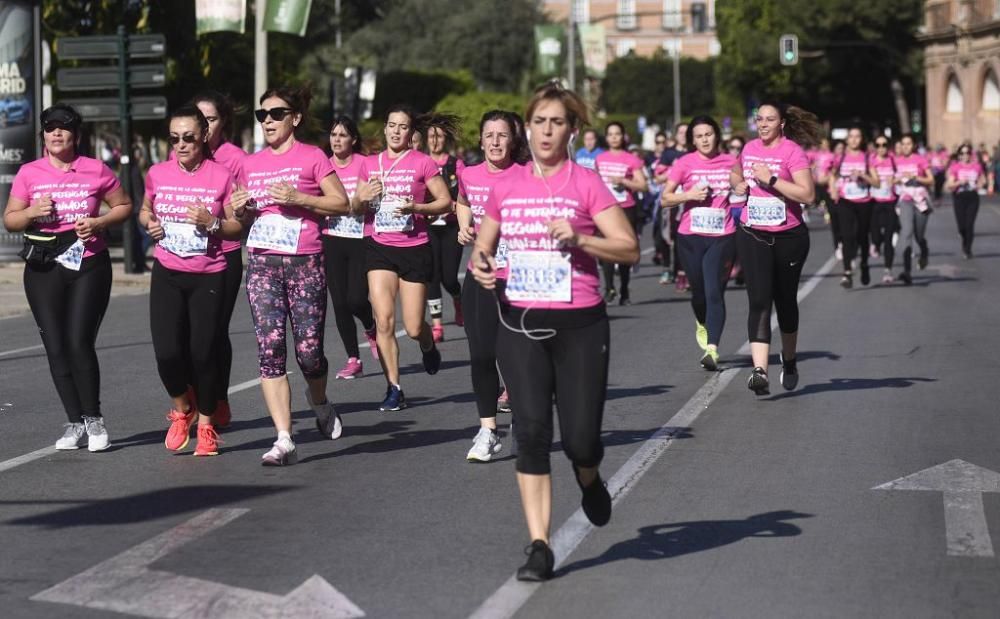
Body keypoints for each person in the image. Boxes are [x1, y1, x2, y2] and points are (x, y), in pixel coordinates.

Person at [471, 82, 640, 581]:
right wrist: (482, 265)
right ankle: (540, 546)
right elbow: (484, 245)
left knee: (581, 441)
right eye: (539, 121)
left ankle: (588, 478)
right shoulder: (507, 185)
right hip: (520, 322)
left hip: (580, 325)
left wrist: (581, 237)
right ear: (529, 127)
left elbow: (628, 247)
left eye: (557, 122)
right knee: (532, 434)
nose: (547, 131)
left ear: (572, 129)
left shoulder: (586, 183)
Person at [230, 86, 351, 465]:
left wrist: (301, 199)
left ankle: (318, 399)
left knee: (309, 352)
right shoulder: (249, 164)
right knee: (270, 351)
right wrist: (240, 209)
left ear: (294, 118)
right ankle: (284, 438)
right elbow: (242, 216)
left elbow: (341, 203)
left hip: (306, 263)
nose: (267, 120)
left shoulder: (313, 157)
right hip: (263, 264)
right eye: (262, 115)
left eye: (276, 113)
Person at [3, 104, 131, 451]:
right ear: (43, 134)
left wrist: (99, 222)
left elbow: (123, 205)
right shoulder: (30, 172)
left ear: (76, 134)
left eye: (63, 128)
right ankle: (74, 422)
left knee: (78, 342)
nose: (56, 133)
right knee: (56, 347)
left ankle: (95, 419)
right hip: (44, 266)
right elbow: (10, 220)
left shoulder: (95, 169)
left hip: (88, 262)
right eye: (50, 128)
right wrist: (31, 211)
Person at [140, 105, 244, 456]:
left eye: (187, 137)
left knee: (203, 352)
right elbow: (145, 209)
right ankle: (182, 409)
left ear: (202, 136)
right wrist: (148, 223)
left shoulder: (221, 175)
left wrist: (211, 222)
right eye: (174, 139)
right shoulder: (157, 172)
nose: (180, 144)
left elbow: (236, 226)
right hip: (168, 272)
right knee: (167, 352)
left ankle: (206, 425)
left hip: (208, 274)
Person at [352, 104, 451, 412]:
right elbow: (355, 208)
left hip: (414, 247)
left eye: (403, 126)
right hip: (379, 246)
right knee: (383, 320)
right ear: (385, 129)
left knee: (410, 326)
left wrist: (416, 209)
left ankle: (426, 342)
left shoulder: (422, 163)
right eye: (391, 125)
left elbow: (446, 202)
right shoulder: (370, 164)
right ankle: (394, 387)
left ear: (411, 133)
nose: (396, 131)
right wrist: (361, 199)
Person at [730, 102, 820, 396]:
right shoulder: (748, 148)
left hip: (789, 237)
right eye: (760, 119)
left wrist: (771, 179)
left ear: (781, 123)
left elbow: (807, 195)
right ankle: (759, 371)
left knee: (785, 302)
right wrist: (739, 184)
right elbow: (735, 173)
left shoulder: (792, 152)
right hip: (752, 232)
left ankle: (790, 360)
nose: (764, 124)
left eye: (770, 119)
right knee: (759, 300)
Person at [455, 110, 525, 461]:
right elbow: (463, 204)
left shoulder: (528, 175)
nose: (495, 141)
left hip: (520, 279)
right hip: (480, 275)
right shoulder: (469, 174)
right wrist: (464, 227)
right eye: (489, 135)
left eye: (502, 135)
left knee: (517, 356)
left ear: (513, 140)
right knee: (481, 355)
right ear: (480, 140)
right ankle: (488, 430)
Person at [661, 116, 737, 370]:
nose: (705, 139)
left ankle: (712, 349)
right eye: (699, 136)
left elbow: (742, 187)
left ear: (717, 135)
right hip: (690, 236)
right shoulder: (684, 163)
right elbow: (665, 198)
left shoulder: (731, 162)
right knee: (700, 293)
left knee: (715, 290)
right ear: (693, 140)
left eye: (708, 134)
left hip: (722, 234)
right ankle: (702, 322)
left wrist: (743, 189)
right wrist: (689, 195)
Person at [189, 90, 246, 428]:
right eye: (199, 119)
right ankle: (195, 399)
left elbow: (243, 209)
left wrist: (238, 209)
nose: (204, 126)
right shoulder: (181, 153)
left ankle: (217, 400)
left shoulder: (235, 158)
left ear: (223, 123)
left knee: (212, 333)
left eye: (210, 119)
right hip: (187, 255)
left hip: (223, 255)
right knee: (188, 335)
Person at [323, 115, 378, 379]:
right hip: (331, 236)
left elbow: (374, 198)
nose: (337, 140)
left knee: (356, 298)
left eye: (342, 135)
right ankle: (353, 358)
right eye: (333, 135)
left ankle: (370, 326)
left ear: (353, 139)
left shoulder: (364, 164)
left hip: (361, 236)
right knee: (340, 302)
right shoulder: (323, 166)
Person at [594, 122, 648, 305]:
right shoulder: (600, 158)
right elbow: (594, 183)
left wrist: (624, 181)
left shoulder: (631, 159)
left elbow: (643, 186)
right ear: (607, 137)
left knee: (625, 248)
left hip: (626, 207)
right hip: (605, 208)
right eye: (610, 134)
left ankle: (624, 288)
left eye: (617, 134)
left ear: (623, 137)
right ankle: (609, 288)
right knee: (605, 248)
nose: (614, 137)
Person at [424, 113, 466, 342]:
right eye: (431, 136)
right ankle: (437, 324)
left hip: (451, 227)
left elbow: (465, 193)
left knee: (449, 277)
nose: (435, 140)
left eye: (439, 136)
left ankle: (458, 300)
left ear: (445, 140)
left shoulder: (455, 164)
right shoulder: (421, 162)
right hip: (428, 228)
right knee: (432, 276)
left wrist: (455, 205)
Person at [829, 126, 879, 288]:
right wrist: (833, 190)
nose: (854, 140)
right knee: (846, 235)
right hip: (845, 201)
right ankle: (847, 272)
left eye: (857, 136)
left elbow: (876, 182)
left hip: (864, 202)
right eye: (851, 136)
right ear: (847, 139)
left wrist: (863, 175)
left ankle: (864, 264)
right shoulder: (840, 157)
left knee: (862, 236)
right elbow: (832, 175)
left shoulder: (867, 158)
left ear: (861, 139)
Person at [893, 134, 935, 285]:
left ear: (914, 145)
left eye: (908, 144)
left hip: (921, 200)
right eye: (903, 144)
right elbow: (890, 180)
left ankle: (924, 251)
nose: (905, 147)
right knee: (907, 232)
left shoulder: (920, 159)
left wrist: (916, 177)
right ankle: (907, 271)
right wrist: (898, 179)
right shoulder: (896, 161)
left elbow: (931, 179)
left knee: (919, 235)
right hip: (905, 200)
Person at [945, 143, 987, 259]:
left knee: (969, 224)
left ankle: (967, 249)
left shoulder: (977, 166)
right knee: (961, 226)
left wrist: (980, 184)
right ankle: (964, 241)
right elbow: (949, 185)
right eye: (962, 153)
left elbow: (983, 180)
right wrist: (959, 182)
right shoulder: (955, 167)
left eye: (967, 153)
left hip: (972, 197)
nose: (965, 155)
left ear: (971, 154)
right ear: (959, 155)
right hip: (959, 197)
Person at [869, 136, 900, 284]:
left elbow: (900, 176)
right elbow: (873, 181)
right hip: (874, 202)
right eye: (878, 144)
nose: (881, 147)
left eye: (884, 144)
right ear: (875, 146)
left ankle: (888, 270)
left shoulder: (893, 160)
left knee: (888, 238)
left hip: (890, 203)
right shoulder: (871, 160)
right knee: (875, 236)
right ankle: (875, 243)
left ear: (888, 146)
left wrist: (894, 180)